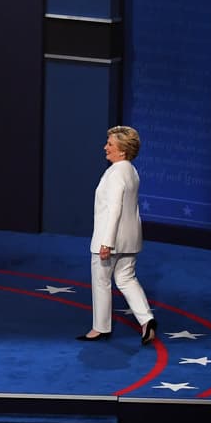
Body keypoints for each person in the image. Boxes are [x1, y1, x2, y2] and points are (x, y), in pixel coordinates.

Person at [77, 125, 158, 346]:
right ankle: (147, 320)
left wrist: (107, 243)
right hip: (131, 239)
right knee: (126, 279)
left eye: (110, 144)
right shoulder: (131, 170)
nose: (105, 147)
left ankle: (100, 328)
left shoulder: (115, 173)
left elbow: (115, 209)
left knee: (102, 281)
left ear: (122, 150)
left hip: (110, 239)